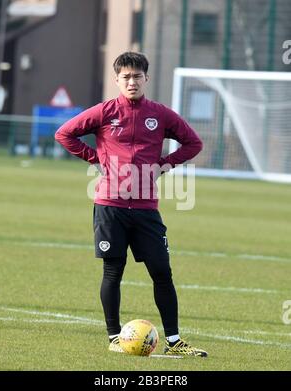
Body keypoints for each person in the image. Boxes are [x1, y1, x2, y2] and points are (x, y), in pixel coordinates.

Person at [55, 52, 207, 357]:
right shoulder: (104, 111)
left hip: (146, 208)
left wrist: (165, 164)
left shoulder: (161, 114)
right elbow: (65, 134)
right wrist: (95, 158)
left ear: (146, 79)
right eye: (126, 76)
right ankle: (114, 337)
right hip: (110, 206)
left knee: (162, 272)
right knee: (113, 271)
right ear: (117, 80)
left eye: (137, 76)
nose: (132, 81)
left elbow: (193, 143)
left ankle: (174, 342)